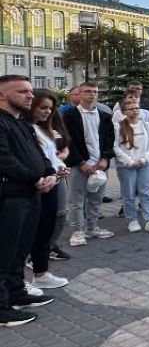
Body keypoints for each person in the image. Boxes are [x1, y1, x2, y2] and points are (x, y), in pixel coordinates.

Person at [0, 76, 57, 326]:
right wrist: (36, 178)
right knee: (4, 252)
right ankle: (2, 308)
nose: (30, 96)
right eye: (22, 91)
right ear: (2, 95)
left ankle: (16, 293)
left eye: (31, 91)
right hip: (9, 196)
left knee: (20, 250)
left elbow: (39, 154)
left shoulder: (22, 123)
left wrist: (49, 173)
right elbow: (4, 159)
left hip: (31, 195)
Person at [62, 82, 115, 247]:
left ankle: (92, 227)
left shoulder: (105, 115)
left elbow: (109, 140)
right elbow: (68, 142)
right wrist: (81, 162)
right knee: (76, 200)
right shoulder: (70, 115)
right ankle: (78, 232)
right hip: (79, 165)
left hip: (100, 165)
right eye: (87, 91)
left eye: (95, 92)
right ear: (79, 94)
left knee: (96, 199)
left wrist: (105, 159)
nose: (92, 94)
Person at [27, 90, 71, 290]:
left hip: (52, 180)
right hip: (38, 184)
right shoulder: (26, 128)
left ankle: (41, 272)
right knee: (34, 230)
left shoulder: (42, 129)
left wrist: (60, 168)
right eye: (42, 107)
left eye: (50, 108)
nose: (47, 112)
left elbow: (50, 155)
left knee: (47, 226)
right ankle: (34, 273)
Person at [113, 96, 149, 234]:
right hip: (126, 166)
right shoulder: (118, 126)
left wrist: (144, 159)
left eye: (137, 108)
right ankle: (132, 221)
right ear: (124, 111)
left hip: (145, 164)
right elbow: (115, 147)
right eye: (130, 109)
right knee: (128, 194)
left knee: (146, 193)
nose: (134, 111)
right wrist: (130, 161)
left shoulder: (147, 125)